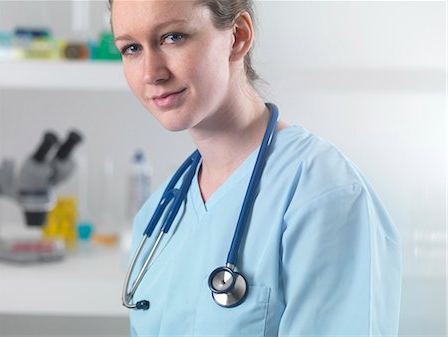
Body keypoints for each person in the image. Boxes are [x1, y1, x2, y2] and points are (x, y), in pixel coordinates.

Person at [110, 0, 402, 336]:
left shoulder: (323, 194)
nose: (151, 72)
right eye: (131, 48)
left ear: (238, 36)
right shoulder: (157, 217)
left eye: (173, 37)